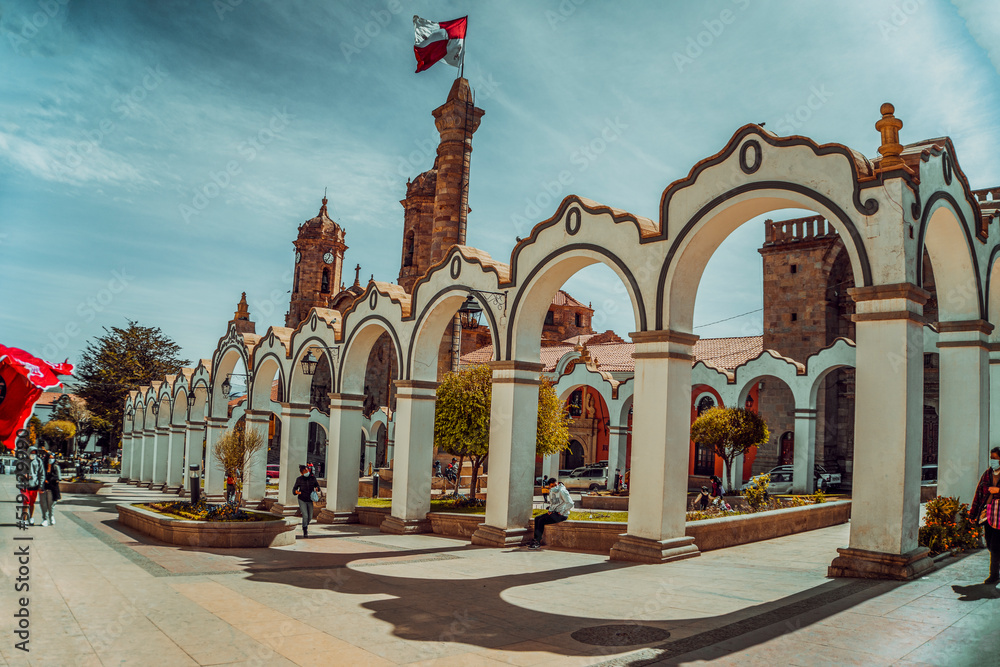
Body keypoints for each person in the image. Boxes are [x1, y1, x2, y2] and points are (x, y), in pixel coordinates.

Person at [970, 447, 1000, 585]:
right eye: (991, 458)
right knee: (989, 541)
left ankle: (993, 575)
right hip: (988, 512)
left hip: (999, 512)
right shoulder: (987, 474)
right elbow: (979, 494)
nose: (993, 461)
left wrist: (998, 490)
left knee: (995, 544)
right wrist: (973, 513)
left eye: (995, 458)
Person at [529, 478, 573, 549]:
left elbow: (570, 503)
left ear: (557, 483)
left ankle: (537, 542)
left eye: (555, 485)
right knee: (537, 518)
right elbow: (553, 503)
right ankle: (536, 540)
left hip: (562, 515)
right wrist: (550, 510)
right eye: (552, 486)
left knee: (541, 521)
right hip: (554, 513)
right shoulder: (551, 492)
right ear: (549, 486)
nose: (554, 487)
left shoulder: (562, 491)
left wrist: (562, 512)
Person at [292, 464, 321, 538]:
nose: (307, 472)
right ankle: (305, 530)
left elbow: (317, 486)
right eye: (305, 471)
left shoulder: (312, 478)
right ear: (302, 473)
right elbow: (294, 489)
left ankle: (305, 525)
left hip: (310, 499)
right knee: (305, 515)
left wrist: (317, 488)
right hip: (302, 499)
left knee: (310, 516)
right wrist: (297, 492)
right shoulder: (299, 479)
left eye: (307, 470)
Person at [19, 447, 45, 526]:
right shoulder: (23, 460)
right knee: (26, 502)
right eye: (31, 453)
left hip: (34, 485)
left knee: (31, 503)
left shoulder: (38, 461)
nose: (33, 454)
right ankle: (24, 519)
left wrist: (41, 485)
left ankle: (31, 517)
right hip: (24, 485)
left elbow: (41, 474)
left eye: (34, 453)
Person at [39, 451, 61, 526]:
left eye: (53, 458)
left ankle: (51, 516)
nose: (51, 459)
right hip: (43, 487)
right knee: (43, 504)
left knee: (51, 504)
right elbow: (40, 476)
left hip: (52, 488)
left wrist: (50, 480)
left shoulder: (56, 467)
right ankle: (44, 519)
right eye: (50, 458)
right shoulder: (42, 467)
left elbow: (59, 478)